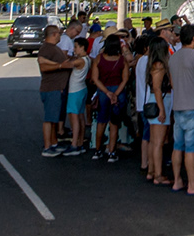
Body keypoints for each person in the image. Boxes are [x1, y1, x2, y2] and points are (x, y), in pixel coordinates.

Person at [164, 23, 194, 194]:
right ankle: (192, 184)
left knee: (178, 145)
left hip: (178, 105)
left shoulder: (173, 57)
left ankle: (177, 180)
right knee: (191, 147)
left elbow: (172, 83)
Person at [36, 24, 80, 157]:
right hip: (51, 88)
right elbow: (43, 66)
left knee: (54, 118)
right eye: (59, 34)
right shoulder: (47, 49)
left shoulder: (53, 48)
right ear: (54, 34)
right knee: (49, 119)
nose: (61, 36)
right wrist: (60, 66)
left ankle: (53, 142)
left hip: (57, 88)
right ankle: (47, 147)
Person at [89, 27, 128, 162]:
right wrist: (115, 94)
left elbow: (95, 78)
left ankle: (98, 150)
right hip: (118, 90)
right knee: (114, 123)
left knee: (101, 121)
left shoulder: (99, 59)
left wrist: (106, 92)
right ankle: (112, 152)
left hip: (103, 91)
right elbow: (125, 79)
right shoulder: (122, 60)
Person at [56, 17, 90, 155]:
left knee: (74, 117)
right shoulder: (86, 59)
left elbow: (65, 63)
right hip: (81, 89)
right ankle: (80, 142)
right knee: (80, 116)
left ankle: (74, 143)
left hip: (75, 91)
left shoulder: (80, 61)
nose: (73, 49)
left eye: (75, 47)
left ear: (82, 48)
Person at [144, 35, 172, 185]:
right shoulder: (160, 66)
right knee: (158, 142)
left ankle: (151, 171)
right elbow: (157, 88)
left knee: (153, 141)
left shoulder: (152, 65)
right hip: (160, 101)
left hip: (153, 101)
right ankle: (158, 175)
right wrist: (162, 110)